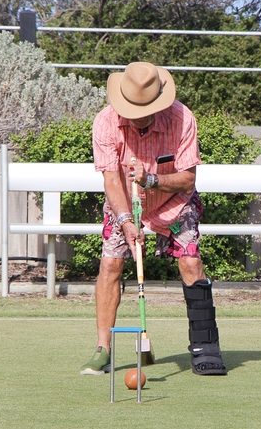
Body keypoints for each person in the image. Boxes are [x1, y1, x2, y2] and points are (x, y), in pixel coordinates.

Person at [80, 61, 227, 376]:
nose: (138, 116)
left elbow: (187, 180)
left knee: (191, 262)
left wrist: (150, 179)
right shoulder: (105, 122)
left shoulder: (182, 119)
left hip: (174, 203)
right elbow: (111, 181)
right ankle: (103, 350)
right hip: (125, 204)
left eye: (144, 109)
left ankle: (205, 347)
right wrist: (125, 221)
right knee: (110, 265)